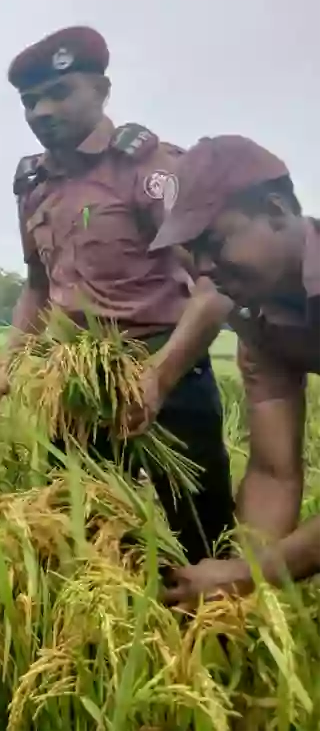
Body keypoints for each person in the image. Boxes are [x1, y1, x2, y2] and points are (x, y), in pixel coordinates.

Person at [0, 25, 234, 564]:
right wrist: (9, 368)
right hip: (74, 384)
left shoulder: (150, 166)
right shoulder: (33, 185)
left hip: (165, 370)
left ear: (102, 90)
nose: (41, 110)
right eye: (29, 101)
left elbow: (216, 286)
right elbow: (38, 288)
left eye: (60, 93)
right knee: (84, 529)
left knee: (200, 535)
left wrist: (159, 376)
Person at [130, 136, 320, 603]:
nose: (207, 270)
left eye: (215, 243)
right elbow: (274, 472)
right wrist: (239, 581)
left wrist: (250, 576)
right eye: (195, 253)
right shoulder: (258, 318)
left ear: (276, 209)